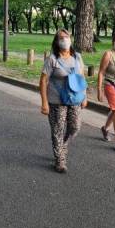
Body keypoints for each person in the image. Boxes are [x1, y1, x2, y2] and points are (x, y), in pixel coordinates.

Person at [39, 29, 87, 173]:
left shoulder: (77, 57)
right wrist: (44, 102)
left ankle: (63, 147)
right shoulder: (52, 59)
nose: (64, 40)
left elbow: (82, 78)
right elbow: (43, 81)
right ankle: (60, 159)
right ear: (56, 41)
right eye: (61, 38)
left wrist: (85, 96)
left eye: (66, 37)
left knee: (75, 127)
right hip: (56, 100)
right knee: (57, 130)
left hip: (75, 99)